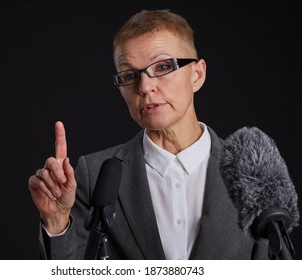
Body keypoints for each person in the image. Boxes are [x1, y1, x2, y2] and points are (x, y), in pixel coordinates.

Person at [28, 9, 268, 260]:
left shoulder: (251, 173)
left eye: (163, 66)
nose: (144, 87)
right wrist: (56, 222)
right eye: (130, 75)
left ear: (197, 75)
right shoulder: (94, 175)